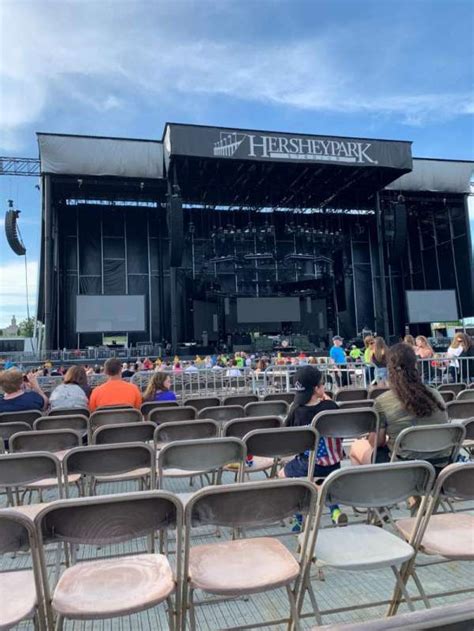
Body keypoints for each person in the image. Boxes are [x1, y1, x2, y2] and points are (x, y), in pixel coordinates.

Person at [350, 343, 448, 466]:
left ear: (389, 368)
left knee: (356, 447)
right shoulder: (436, 395)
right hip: (440, 463)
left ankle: (372, 484)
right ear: (415, 365)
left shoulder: (382, 402)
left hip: (403, 468)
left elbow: (376, 442)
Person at [279, 366, 347, 527]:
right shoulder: (330, 408)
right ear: (317, 389)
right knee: (320, 481)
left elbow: (293, 446)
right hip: (334, 465)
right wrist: (329, 400)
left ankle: (299, 517)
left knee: (284, 475)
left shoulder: (296, 412)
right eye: (322, 384)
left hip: (308, 465)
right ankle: (334, 509)